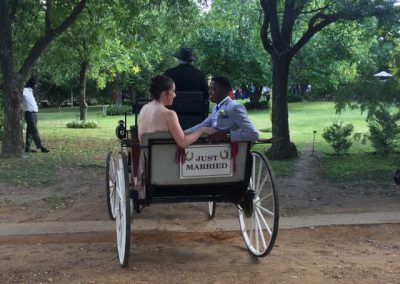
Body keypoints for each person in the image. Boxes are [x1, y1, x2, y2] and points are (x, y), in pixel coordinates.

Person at [138, 75, 215, 148]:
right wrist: (202, 130)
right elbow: (183, 142)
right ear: (164, 94)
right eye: (173, 91)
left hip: (146, 159)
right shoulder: (169, 114)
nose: (175, 95)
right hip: (163, 160)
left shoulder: (144, 108)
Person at [185, 76, 259, 143]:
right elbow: (202, 126)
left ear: (224, 90)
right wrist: (183, 133)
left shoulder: (235, 107)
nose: (209, 92)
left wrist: (227, 135)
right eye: (209, 89)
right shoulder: (216, 107)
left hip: (230, 153)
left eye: (213, 89)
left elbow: (253, 134)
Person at [164, 47, 209, 129]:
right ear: (191, 60)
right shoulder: (200, 75)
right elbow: (206, 95)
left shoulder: (169, 73)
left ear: (179, 59)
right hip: (196, 116)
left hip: (173, 115)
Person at [22, 78, 49, 153]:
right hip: (29, 113)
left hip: (34, 113)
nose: (36, 86)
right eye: (35, 84)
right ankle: (40, 146)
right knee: (34, 129)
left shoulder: (31, 91)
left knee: (30, 130)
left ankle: (27, 147)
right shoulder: (24, 90)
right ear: (32, 84)